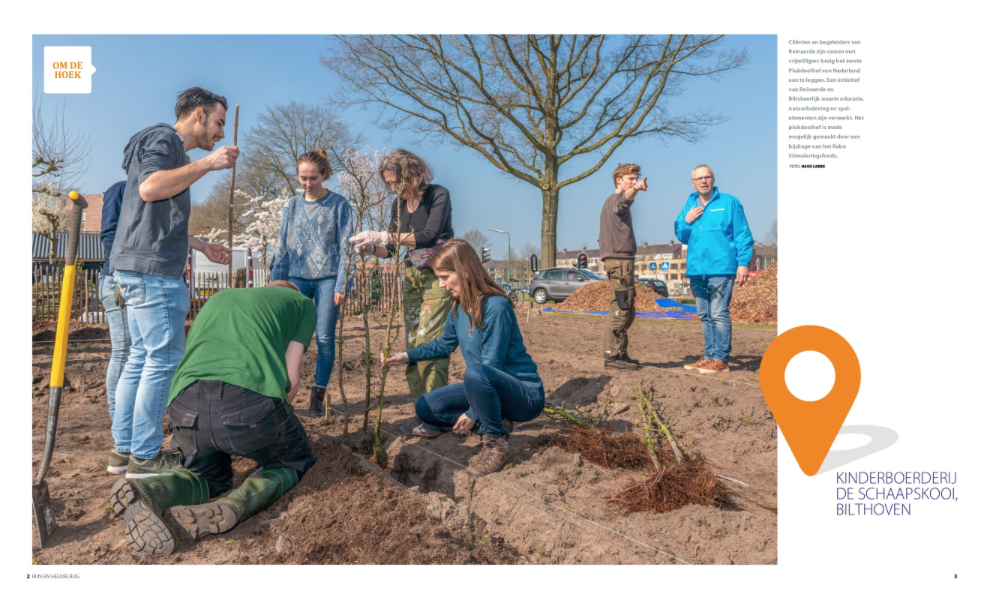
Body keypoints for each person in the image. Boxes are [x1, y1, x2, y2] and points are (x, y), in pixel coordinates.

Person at [109, 280, 317, 557]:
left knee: (205, 475)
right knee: (291, 458)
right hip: (246, 406)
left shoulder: (223, 297)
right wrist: (278, 423)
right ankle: (236, 503)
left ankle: (151, 488)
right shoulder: (302, 304)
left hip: (185, 405)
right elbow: (290, 380)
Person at [108, 87, 235, 478]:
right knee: (161, 361)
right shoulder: (166, 140)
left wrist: (199, 246)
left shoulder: (158, 145)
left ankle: (124, 450)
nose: (219, 133)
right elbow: (150, 189)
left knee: (139, 360)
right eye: (217, 123)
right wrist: (210, 164)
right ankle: (145, 456)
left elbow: (152, 216)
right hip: (155, 272)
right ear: (198, 114)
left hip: (134, 265)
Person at [382, 239, 544, 474]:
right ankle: (493, 420)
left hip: (523, 395)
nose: (441, 284)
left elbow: (492, 365)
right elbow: (444, 345)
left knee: (476, 371)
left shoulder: (497, 307)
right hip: (483, 386)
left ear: (464, 271)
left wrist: (471, 413)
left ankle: (495, 441)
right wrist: (405, 356)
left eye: (445, 277)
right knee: (426, 407)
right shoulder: (458, 308)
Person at [350, 149, 454, 436]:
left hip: (437, 277)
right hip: (410, 278)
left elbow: (429, 236)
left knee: (429, 343)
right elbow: (392, 249)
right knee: (411, 347)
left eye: (399, 181)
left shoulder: (438, 195)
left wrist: (384, 235)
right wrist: (373, 248)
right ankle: (424, 413)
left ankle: (438, 415)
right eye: (390, 183)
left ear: (413, 173)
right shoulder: (398, 205)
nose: (395, 188)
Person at [270, 149, 354, 418]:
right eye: (303, 178)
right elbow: (282, 247)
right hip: (295, 277)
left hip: (328, 278)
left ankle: (317, 398)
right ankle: (279, 394)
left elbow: (346, 249)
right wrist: (275, 284)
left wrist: (342, 283)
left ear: (325, 175)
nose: (308, 183)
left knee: (325, 338)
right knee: (285, 337)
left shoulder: (340, 205)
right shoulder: (291, 206)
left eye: (313, 178)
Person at [673, 164, 754, 374]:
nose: (703, 181)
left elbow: (743, 234)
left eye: (707, 177)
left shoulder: (729, 203)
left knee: (719, 313)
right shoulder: (689, 204)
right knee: (705, 315)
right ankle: (709, 356)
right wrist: (686, 220)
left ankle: (721, 359)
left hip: (721, 268)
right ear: (693, 182)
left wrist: (743, 263)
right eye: (698, 178)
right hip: (697, 270)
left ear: (713, 179)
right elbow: (681, 235)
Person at [97, 180, 132, 474]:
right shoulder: (120, 190)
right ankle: (117, 417)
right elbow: (109, 234)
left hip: (134, 280)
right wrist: (119, 274)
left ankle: (125, 417)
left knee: (134, 352)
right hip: (117, 280)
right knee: (123, 350)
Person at [598, 163, 648, 370]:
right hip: (620, 262)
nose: (634, 182)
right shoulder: (616, 200)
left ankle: (621, 353)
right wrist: (636, 189)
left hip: (621, 261)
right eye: (630, 179)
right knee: (620, 307)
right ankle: (612, 357)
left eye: (636, 179)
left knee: (627, 307)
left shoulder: (611, 202)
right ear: (619, 180)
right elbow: (623, 202)